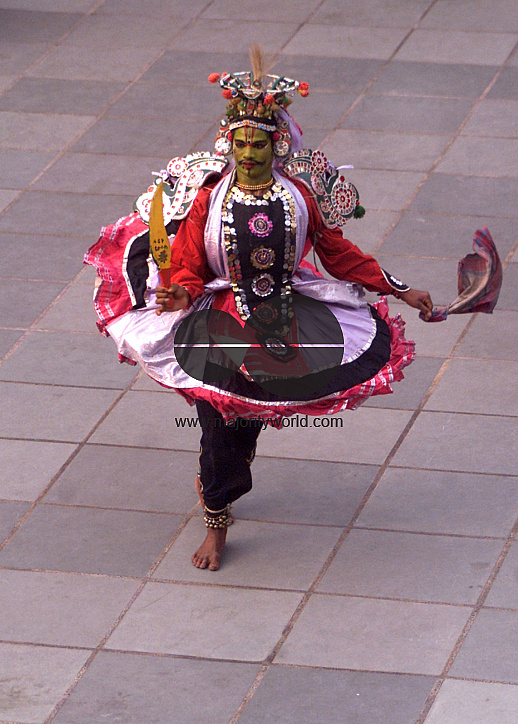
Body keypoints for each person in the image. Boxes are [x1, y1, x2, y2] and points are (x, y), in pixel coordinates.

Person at [86, 50, 433, 571]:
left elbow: (338, 254)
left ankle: (227, 479)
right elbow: (185, 264)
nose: (248, 153)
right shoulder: (210, 201)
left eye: (260, 143)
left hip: (283, 321)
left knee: (248, 418)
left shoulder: (297, 198)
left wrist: (399, 289)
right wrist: (180, 292)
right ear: (230, 144)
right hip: (219, 320)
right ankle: (217, 520)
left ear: (278, 145)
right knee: (219, 424)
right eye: (241, 143)